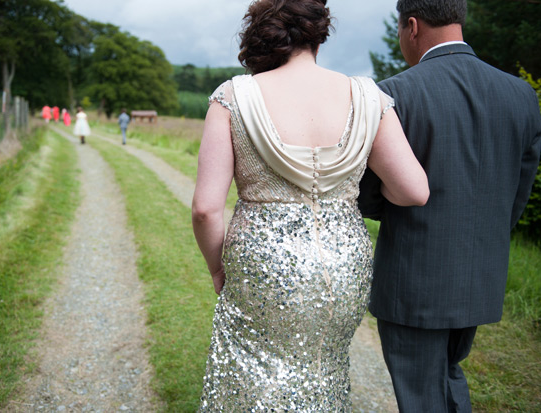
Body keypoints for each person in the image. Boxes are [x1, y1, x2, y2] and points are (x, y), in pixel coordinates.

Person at [192, 0, 429, 410]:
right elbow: (413, 191)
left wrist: (217, 267)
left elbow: (206, 209)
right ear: (319, 34)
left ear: (265, 35)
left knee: (251, 369)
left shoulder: (233, 95)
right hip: (342, 262)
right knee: (322, 369)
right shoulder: (367, 96)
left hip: (262, 263)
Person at [358, 1, 541, 412]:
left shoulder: (394, 94)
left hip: (413, 283)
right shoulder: (521, 94)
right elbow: (518, 188)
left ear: (411, 26)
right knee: (446, 374)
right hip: (481, 277)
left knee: (421, 395)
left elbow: (368, 193)